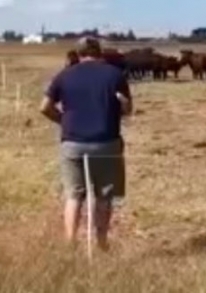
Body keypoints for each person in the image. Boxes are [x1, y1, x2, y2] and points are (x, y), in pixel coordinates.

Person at [39, 37, 132, 251]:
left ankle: (70, 244)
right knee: (104, 196)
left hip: (73, 144)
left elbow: (44, 107)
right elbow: (127, 110)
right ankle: (101, 242)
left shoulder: (65, 75)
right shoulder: (115, 74)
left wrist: (62, 120)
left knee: (73, 196)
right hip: (106, 143)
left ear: (79, 54)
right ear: (99, 53)